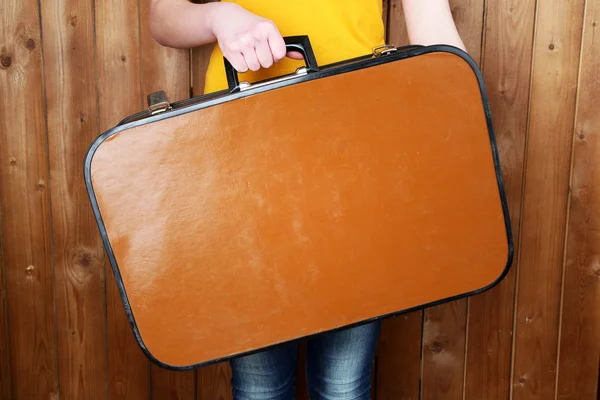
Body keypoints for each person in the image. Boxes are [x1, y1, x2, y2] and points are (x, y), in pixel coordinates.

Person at [149, 1, 466, 399]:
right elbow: (163, 17)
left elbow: (432, 28)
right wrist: (217, 16)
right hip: (240, 166)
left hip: (357, 164)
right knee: (260, 387)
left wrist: (463, 106)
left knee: (343, 387)